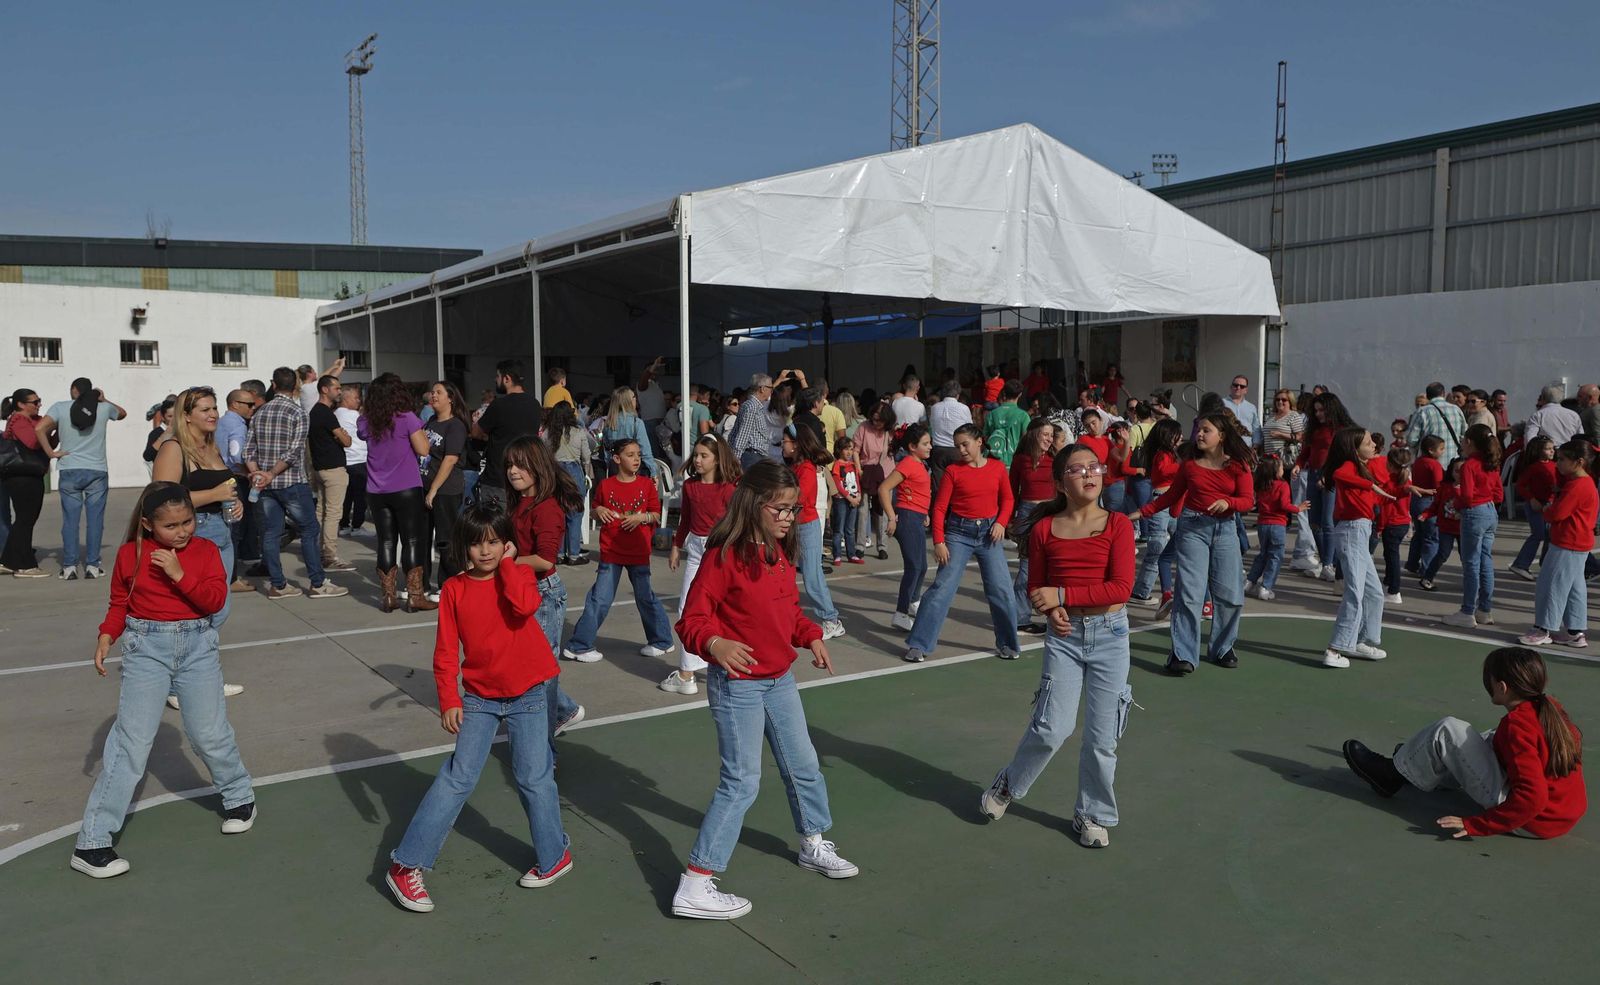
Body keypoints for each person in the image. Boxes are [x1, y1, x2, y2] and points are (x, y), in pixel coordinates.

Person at [670, 460, 857, 920]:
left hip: (780, 680)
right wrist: (715, 643)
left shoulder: (777, 553)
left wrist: (810, 634)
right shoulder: (722, 556)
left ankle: (813, 843)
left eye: (793, 510)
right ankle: (696, 882)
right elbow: (691, 620)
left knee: (804, 766)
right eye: (782, 509)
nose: (789, 518)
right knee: (741, 783)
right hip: (739, 688)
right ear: (754, 504)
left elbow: (788, 612)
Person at [383, 505, 572, 913]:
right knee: (457, 779)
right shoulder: (454, 588)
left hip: (529, 694)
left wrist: (508, 564)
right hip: (480, 699)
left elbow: (523, 607)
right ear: (463, 546)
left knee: (533, 779)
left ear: (506, 544)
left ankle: (555, 856)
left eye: (493, 542)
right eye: (476, 542)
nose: (484, 551)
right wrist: (449, 699)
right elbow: (446, 651)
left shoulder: (519, 574)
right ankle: (406, 865)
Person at [70, 484, 255, 879]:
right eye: (170, 525)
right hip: (144, 649)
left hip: (198, 647)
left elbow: (214, 600)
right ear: (147, 524)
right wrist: (107, 635)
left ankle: (240, 797)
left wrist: (178, 573)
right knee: (131, 742)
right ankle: (93, 841)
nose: (182, 531)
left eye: (187, 521)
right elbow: (120, 601)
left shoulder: (205, 552)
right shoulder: (129, 555)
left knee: (208, 732)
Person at [979, 444, 1135, 848]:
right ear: (1060, 483)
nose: (1089, 473)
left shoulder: (1117, 525)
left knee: (1102, 739)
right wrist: (1050, 610)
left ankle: (1092, 814)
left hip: (1111, 638)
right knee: (1051, 728)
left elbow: (1121, 589)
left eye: (1095, 467)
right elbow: (1037, 588)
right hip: (1065, 639)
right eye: (1077, 469)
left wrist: (1061, 597)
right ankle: (1009, 784)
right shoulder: (1045, 529)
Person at [1341, 647, 1585, 840]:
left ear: (1502, 687)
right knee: (1489, 736)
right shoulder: (1549, 708)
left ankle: (1390, 776)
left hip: (1534, 820)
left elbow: (1533, 799)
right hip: (1559, 814)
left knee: (1449, 730)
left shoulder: (1518, 726)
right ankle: (1418, 763)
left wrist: (1477, 825)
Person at [1141, 415, 1254, 675]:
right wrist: (1142, 512)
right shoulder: (1190, 466)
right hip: (1192, 528)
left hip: (1225, 531)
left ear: (1222, 436)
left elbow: (1247, 500)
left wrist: (1229, 503)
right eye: (1198, 430)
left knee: (1231, 595)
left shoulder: (1238, 465)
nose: (1199, 434)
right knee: (1190, 594)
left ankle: (1223, 648)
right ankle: (1182, 655)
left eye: (1206, 430)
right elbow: (1171, 495)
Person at [903, 424, 1018, 662]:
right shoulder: (953, 471)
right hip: (958, 534)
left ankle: (1007, 643)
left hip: (989, 535)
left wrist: (1001, 523)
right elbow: (940, 509)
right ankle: (918, 644)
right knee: (942, 589)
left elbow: (1007, 499)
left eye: (965, 444)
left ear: (979, 442)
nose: (961, 450)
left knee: (1002, 590)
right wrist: (939, 541)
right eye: (957, 446)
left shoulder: (997, 468)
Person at [500, 437, 588, 745]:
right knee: (526, 664)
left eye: (520, 464)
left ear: (537, 467)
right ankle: (563, 711)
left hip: (543, 594)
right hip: (522, 589)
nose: (513, 470)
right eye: (509, 464)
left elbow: (545, 559)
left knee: (543, 670)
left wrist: (507, 561)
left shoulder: (547, 508)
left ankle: (544, 750)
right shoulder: (519, 503)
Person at [561, 438, 674, 663]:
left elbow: (655, 512)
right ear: (616, 458)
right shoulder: (606, 485)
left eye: (638, 455)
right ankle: (579, 645)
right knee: (599, 598)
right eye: (630, 455)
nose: (636, 459)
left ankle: (661, 641)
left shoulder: (645, 484)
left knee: (645, 597)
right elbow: (594, 511)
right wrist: (599, 509)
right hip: (611, 550)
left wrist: (641, 517)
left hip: (638, 550)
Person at [244, 368, 348, 600]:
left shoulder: (260, 413)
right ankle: (318, 583)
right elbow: (294, 452)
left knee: (271, 534)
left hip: (266, 485)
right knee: (310, 530)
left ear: (273, 385)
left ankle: (278, 585)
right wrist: (269, 473)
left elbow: (248, 450)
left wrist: (257, 474)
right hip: (291, 482)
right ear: (296, 387)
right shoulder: (298, 412)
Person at [663, 434, 741, 695]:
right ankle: (687, 673)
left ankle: (731, 663)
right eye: (695, 455)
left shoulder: (729, 488)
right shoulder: (690, 486)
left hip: (720, 551)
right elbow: (685, 517)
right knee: (688, 607)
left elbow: (737, 523)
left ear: (717, 460)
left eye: (703, 456)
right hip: (695, 551)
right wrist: (676, 545)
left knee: (725, 609)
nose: (697, 460)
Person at [1319, 428, 1397, 669]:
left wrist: (1404, 488)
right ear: (1354, 449)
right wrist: (1370, 486)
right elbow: (1339, 474)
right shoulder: (1348, 467)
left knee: (1373, 592)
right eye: (1367, 442)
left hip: (1361, 530)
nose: (1374, 444)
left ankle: (1361, 641)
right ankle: (1335, 648)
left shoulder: (1364, 467)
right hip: (1352, 531)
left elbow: (1380, 494)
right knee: (1355, 592)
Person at [358, 373, 434, 613]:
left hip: (376, 490)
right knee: (412, 540)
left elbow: (361, 435)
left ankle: (388, 596)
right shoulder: (407, 418)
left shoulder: (366, 422)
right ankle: (415, 595)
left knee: (386, 541)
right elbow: (423, 449)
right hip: (406, 487)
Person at [38, 378, 126, 580]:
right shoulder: (103, 409)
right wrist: (104, 399)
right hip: (97, 471)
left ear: (73, 390)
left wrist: (51, 453)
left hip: (69, 469)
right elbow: (122, 413)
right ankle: (93, 566)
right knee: (95, 520)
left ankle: (69, 566)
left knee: (70, 520)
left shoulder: (60, 408)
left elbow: (38, 429)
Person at [1519, 439, 1595, 648]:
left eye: (1562, 459)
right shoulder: (1583, 483)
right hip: (1577, 542)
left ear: (1578, 461)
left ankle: (1543, 629)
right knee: (1573, 588)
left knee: (1550, 584)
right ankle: (1574, 632)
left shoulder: (1577, 485)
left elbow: (1558, 513)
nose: (1557, 462)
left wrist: (1547, 509)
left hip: (1568, 542)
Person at [782, 426, 847, 641]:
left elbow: (800, 499)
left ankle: (831, 620)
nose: (783, 444)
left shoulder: (807, 469)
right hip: (797, 526)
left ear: (797, 444)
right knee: (791, 573)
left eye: (785, 441)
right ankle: (791, 616)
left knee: (811, 577)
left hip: (805, 526)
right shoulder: (799, 467)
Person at [1442, 424, 1503, 629]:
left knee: (1471, 563)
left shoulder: (1470, 465)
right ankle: (1484, 609)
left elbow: (1467, 496)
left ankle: (1467, 611)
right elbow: (1499, 494)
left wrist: (1457, 503)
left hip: (1474, 512)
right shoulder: (1491, 463)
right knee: (1485, 560)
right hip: (1490, 511)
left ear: (1469, 442)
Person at [878, 424, 933, 631]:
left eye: (930, 443)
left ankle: (913, 601)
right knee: (914, 567)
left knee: (922, 566)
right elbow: (883, 488)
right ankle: (901, 613)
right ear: (912, 446)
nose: (930, 447)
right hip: (907, 519)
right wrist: (892, 518)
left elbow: (917, 491)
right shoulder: (908, 463)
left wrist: (925, 512)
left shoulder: (918, 464)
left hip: (916, 517)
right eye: (925, 444)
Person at [470, 359, 544, 510]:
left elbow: (476, 433)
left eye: (497, 376)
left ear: (507, 378)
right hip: (526, 478)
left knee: (495, 529)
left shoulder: (498, 405)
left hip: (498, 479)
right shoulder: (535, 405)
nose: (495, 380)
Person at [1298, 392, 1354, 581]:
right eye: (1316, 411)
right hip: (1314, 474)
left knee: (1328, 521)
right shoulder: (1314, 429)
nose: (1319, 414)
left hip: (1331, 476)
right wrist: (1299, 463)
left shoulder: (1342, 429)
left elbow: (1345, 456)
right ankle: (1325, 562)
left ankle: (1329, 564)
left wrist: (1329, 476)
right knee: (1314, 521)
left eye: (1322, 410)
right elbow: (1306, 450)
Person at [1129, 420, 1183, 610]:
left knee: (1176, 543)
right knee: (1157, 548)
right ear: (1168, 436)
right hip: (1161, 500)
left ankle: (1145, 590)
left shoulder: (1171, 454)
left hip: (1171, 502)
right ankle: (1141, 591)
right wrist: (1184, 468)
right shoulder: (1162, 454)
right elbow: (1163, 470)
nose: (1181, 437)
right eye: (1178, 434)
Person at [1, 389, 55, 577]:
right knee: (26, 520)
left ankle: (8, 561)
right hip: (21, 476)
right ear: (21, 405)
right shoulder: (18, 420)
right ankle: (25, 565)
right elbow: (32, 442)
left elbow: (47, 444)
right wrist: (45, 428)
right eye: (35, 402)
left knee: (25, 519)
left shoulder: (33, 420)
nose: (39, 404)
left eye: (39, 400)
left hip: (31, 474)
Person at [423, 382, 470, 597]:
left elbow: (451, 459)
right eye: (432, 392)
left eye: (438, 392)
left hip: (445, 490)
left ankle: (448, 585)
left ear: (450, 398)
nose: (434, 396)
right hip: (424, 486)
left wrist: (433, 489)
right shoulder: (431, 421)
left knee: (445, 540)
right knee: (422, 538)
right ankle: (421, 584)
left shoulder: (456, 425)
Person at [306, 375, 356, 574]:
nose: (339, 391)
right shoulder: (325, 413)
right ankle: (329, 555)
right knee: (333, 513)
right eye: (336, 387)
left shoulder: (315, 412)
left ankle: (318, 550)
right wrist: (342, 435)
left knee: (322, 512)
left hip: (320, 468)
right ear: (324, 389)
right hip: (333, 469)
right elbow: (347, 441)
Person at [1245, 454, 1300, 601]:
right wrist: (1298, 509)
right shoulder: (1282, 485)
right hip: (1278, 525)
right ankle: (1266, 587)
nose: (1283, 469)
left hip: (1263, 524)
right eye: (1281, 467)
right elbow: (1284, 505)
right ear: (1275, 470)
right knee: (1275, 557)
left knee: (1263, 554)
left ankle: (1249, 582)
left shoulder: (1261, 484)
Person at [546, 402, 595, 565]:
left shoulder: (548, 433)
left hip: (555, 473)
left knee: (557, 514)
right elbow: (586, 457)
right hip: (574, 472)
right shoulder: (579, 432)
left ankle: (558, 553)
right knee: (575, 514)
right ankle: (574, 553)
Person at [1509, 436, 1557, 580]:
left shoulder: (1554, 465)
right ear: (1538, 450)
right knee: (1539, 534)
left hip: (1550, 504)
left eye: (1552, 448)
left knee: (1550, 535)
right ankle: (1521, 564)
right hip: (1536, 505)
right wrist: (1532, 499)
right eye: (1548, 449)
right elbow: (1521, 485)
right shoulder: (1533, 467)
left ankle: (1546, 565)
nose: (1552, 451)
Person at [1418, 459, 1465, 592]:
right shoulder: (1444, 487)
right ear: (1451, 471)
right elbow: (1435, 505)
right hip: (1446, 528)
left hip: (1463, 529)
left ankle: (1472, 581)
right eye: (1457, 470)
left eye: (1464, 471)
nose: (1460, 474)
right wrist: (1426, 514)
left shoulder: (1471, 488)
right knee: (1442, 553)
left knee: (1466, 557)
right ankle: (1427, 578)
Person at [1377, 444, 1414, 604]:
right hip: (1403, 522)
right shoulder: (1406, 480)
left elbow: (1385, 508)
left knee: (1392, 557)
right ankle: (1388, 582)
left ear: (1391, 465)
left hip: (1392, 523)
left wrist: (1379, 527)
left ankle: (1394, 590)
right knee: (1390, 555)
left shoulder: (1391, 484)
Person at [1405, 434, 1446, 576]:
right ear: (1431, 450)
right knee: (1432, 537)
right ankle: (1427, 568)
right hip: (1429, 502)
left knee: (1419, 534)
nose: (1443, 452)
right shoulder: (1434, 464)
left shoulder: (1418, 461)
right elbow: (1438, 485)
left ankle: (1412, 563)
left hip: (1416, 501)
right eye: (1440, 449)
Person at [601, 387, 658, 479]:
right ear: (628, 401)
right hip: (634, 470)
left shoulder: (608, 424)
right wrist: (653, 472)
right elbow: (645, 450)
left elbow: (607, 451)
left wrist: (609, 465)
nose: (636, 399)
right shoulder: (636, 423)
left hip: (615, 469)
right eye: (634, 397)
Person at [1405, 382, 1468, 465]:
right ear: (1443, 394)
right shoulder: (1456, 409)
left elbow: (1411, 439)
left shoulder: (1422, 412)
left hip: (1430, 463)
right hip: (1453, 463)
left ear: (1427, 396)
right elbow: (1464, 434)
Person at [336, 385, 369, 533]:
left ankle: (344, 524)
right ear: (346, 399)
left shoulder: (335, 414)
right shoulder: (354, 416)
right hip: (359, 459)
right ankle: (357, 525)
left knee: (347, 496)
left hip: (345, 460)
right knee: (360, 495)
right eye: (356, 398)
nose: (359, 401)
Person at [927, 380, 973, 485]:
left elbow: (931, 426)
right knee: (959, 483)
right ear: (958, 394)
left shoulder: (934, 408)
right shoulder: (964, 408)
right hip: (957, 450)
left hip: (938, 450)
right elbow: (970, 429)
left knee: (939, 485)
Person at [729, 373, 777, 469]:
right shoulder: (752, 406)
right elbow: (743, 434)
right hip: (752, 456)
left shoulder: (753, 405)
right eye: (771, 388)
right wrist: (736, 458)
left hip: (755, 457)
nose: (772, 391)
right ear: (762, 389)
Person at [829, 437, 864, 566]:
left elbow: (857, 482)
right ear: (839, 450)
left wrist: (858, 494)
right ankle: (837, 555)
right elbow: (838, 484)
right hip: (842, 500)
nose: (849, 452)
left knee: (850, 529)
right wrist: (849, 497)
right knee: (839, 529)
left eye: (851, 449)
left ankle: (852, 554)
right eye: (846, 449)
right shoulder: (837, 464)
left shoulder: (852, 465)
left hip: (854, 499)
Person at [984, 381, 1029, 467]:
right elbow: (1026, 441)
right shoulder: (1023, 415)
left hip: (993, 460)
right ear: (1020, 394)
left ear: (1004, 393)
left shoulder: (992, 414)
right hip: (1013, 462)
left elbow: (986, 437)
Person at [636, 356, 669, 461]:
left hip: (661, 422)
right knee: (654, 453)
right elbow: (645, 376)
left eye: (656, 370)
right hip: (650, 421)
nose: (655, 372)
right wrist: (653, 366)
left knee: (663, 451)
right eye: (653, 370)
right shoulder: (643, 384)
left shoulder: (656, 385)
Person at [816, 380, 847, 454]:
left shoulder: (804, 412)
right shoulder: (836, 412)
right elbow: (842, 440)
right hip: (830, 456)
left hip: (809, 457)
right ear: (826, 392)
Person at [142, 399, 172, 474]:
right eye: (170, 416)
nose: (174, 419)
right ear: (163, 417)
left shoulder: (184, 431)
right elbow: (147, 456)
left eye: (177, 416)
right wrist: (165, 435)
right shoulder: (156, 433)